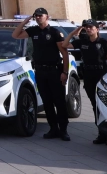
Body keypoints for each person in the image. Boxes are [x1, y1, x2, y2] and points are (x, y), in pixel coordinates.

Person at [14, 8, 70, 140]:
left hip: (55, 71)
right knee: (47, 101)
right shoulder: (33, 30)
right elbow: (15, 35)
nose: (38, 17)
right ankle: (53, 128)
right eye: (36, 16)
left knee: (59, 101)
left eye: (41, 15)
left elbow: (64, 53)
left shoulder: (54, 32)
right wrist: (24, 22)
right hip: (40, 71)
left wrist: (65, 72)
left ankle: (63, 130)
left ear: (47, 17)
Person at [70, 21, 107, 144]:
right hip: (89, 75)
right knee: (95, 105)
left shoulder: (104, 42)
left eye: (91, 27)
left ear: (97, 29)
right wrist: (77, 29)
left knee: (105, 105)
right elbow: (64, 44)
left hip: (101, 75)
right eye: (86, 28)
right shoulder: (83, 41)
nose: (88, 30)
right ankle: (101, 134)